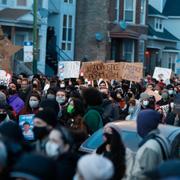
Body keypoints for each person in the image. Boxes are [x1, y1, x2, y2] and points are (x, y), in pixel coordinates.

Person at [131, 109, 169, 179]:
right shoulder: (161, 138)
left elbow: (145, 176)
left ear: (144, 124)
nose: (137, 127)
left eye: (138, 123)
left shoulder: (149, 147)